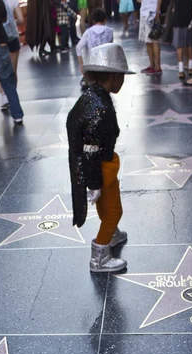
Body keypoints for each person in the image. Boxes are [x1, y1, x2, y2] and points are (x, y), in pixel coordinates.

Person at [66, 43, 134, 273]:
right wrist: (93, 183)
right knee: (114, 211)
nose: (123, 81)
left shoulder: (90, 97)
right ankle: (100, 255)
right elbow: (90, 150)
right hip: (102, 168)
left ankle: (112, 233)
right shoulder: (101, 108)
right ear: (114, 77)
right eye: (122, 76)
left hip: (102, 165)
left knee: (107, 207)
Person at [0, 0, 24, 111]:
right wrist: (12, 22)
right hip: (12, 37)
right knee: (12, 70)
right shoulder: (13, 1)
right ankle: (12, 96)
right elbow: (21, 19)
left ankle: (4, 97)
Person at [76, 8, 114, 76]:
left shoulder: (88, 32)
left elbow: (78, 47)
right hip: (106, 64)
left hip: (92, 64)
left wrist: (81, 64)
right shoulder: (110, 31)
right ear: (105, 20)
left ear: (93, 21)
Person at [138, 0, 163, 74]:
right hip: (144, 12)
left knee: (154, 40)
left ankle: (157, 67)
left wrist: (157, 11)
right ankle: (152, 65)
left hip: (152, 12)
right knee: (147, 40)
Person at [172, 0, 192, 79]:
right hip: (190, 18)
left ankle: (181, 70)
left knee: (179, 45)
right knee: (190, 44)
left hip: (178, 18)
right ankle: (190, 67)